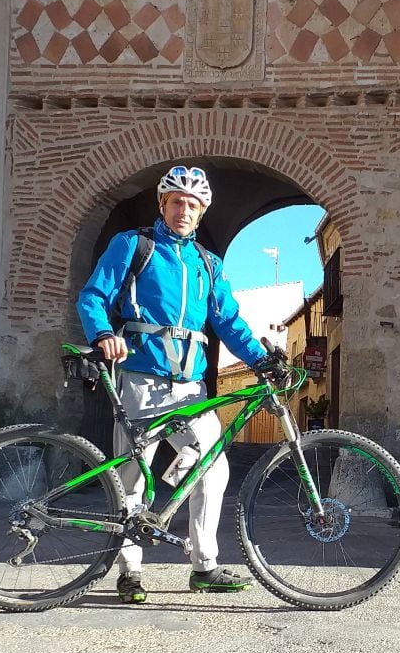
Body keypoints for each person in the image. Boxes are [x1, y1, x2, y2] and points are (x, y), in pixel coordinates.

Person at [77, 164, 274, 605]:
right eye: (177, 202)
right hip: (142, 379)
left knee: (212, 467)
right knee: (132, 476)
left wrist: (261, 361)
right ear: (162, 206)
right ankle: (129, 572)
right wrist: (103, 334)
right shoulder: (133, 245)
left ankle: (204, 565)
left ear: (201, 213)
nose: (184, 210)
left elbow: (227, 321)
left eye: (193, 205)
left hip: (190, 387)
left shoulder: (207, 263)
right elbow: (93, 296)